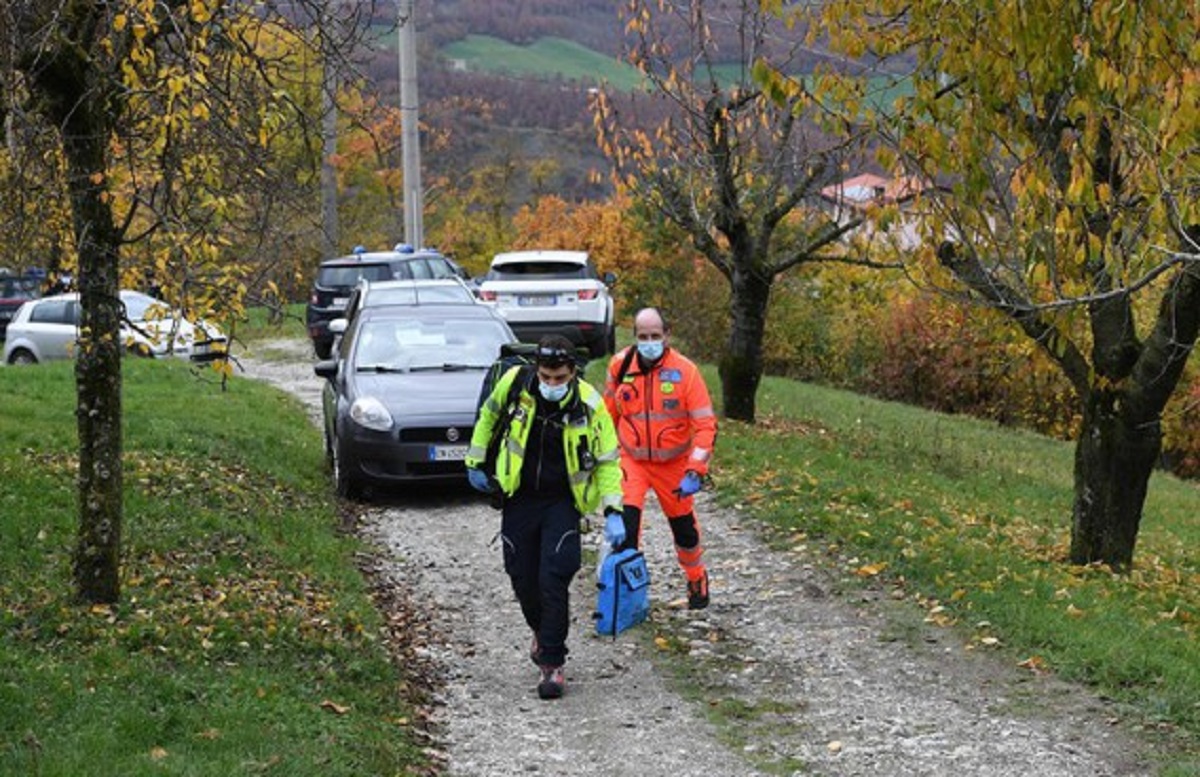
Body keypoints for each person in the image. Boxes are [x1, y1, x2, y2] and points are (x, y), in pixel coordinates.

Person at [465, 334, 623, 700]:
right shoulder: (515, 385)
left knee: (554, 575)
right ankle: (541, 631)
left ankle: (552, 663)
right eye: (546, 377)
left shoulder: (589, 405)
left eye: (560, 378)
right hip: (519, 498)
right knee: (522, 576)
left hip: (562, 503)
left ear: (572, 373)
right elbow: (488, 417)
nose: (552, 385)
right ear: (537, 370)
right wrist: (474, 461)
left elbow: (608, 462)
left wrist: (614, 510)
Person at [603, 307, 717, 610]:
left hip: (674, 465)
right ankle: (626, 597)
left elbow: (705, 425)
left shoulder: (685, 372)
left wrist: (695, 469)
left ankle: (696, 577)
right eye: (643, 336)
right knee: (626, 530)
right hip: (633, 460)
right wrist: (601, 459)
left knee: (685, 532)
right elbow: (607, 415)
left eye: (655, 336)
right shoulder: (620, 366)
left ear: (667, 335)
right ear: (635, 337)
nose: (649, 341)